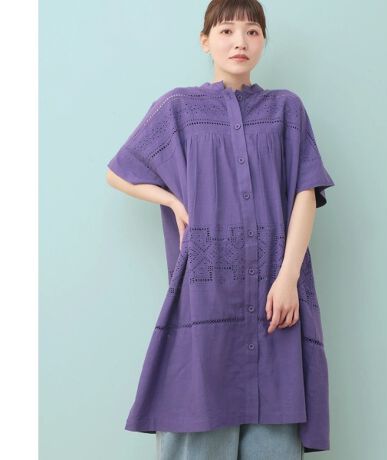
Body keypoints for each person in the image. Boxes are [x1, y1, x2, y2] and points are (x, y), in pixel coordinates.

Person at [106, 0, 335, 458]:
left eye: (252, 32)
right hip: (206, 293)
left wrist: (288, 277)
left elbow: (304, 193)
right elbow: (119, 172)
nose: (240, 42)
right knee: (196, 417)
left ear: (263, 42)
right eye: (227, 30)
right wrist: (172, 200)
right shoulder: (179, 109)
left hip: (276, 295)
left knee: (275, 429)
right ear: (205, 40)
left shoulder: (285, 110)